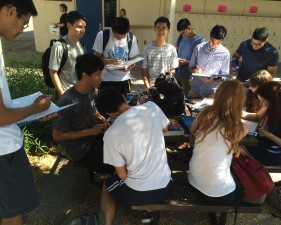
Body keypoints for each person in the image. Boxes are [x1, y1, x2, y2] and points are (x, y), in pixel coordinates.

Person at [0, 1, 53, 224]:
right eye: (24, 22)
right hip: (5, 152)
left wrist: (33, 111)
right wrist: (34, 108)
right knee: (13, 216)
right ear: (10, 11)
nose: (23, 29)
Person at [95, 87, 172, 225]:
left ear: (109, 114)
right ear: (124, 98)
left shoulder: (111, 134)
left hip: (137, 194)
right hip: (165, 186)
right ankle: (148, 210)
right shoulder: (151, 107)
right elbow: (165, 128)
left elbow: (122, 175)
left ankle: (106, 222)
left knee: (107, 186)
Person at [52, 53, 115, 185]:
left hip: (95, 137)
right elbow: (57, 136)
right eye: (98, 74)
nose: (101, 78)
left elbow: (94, 110)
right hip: (80, 150)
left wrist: (101, 118)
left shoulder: (92, 90)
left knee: (122, 149)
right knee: (115, 165)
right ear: (85, 75)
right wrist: (89, 132)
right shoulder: (67, 100)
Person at [189, 79, 248, 205]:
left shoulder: (205, 113)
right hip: (219, 193)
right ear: (240, 100)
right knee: (241, 185)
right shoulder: (241, 127)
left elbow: (192, 130)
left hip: (193, 181)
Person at [243, 81, 281, 166]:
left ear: (272, 100)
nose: (260, 103)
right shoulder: (272, 106)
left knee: (237, 151)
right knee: (235, 147)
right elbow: (257, 117)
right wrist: (234, 113)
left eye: (262, 101)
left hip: (275, 153)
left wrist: (268, 134)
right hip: (264, 143)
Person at [93, 17, 139, 96]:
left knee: (123, 105)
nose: (120, 39)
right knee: (105, 105)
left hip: (124, 79)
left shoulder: (131, 38)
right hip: (106, 79)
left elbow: (132, 59)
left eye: (123, 37)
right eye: (117, 37)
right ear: (112, 30)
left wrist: (131, 66)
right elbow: (96, 59)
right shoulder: (102, 36)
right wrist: (108, 62)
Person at [49, 10, 86, 96]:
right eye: (79, 27)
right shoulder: (59, 46)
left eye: (84, 27)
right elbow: (53, 72)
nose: (83, 30)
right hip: (67, 92)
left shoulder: (81, 44)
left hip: (80, 90)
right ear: (69, 26)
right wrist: (62, 94)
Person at [189, 25, 230, 98]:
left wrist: (213, 80)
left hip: (211, 93)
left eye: (218, 43)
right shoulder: (199, 48)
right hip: (195, 89)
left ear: (221, 41)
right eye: (212, 41)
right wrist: (194, 70)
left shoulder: (225, 53)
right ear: (210, 36)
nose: (214, 45)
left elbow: (224, 76)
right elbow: (190, 67)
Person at [141, 16, 178, 88]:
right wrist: (148, 86)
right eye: (158, 28)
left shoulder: (172, 49)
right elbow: (144, 70)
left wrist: (168, 80)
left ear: (168, 30)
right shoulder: (147, 49)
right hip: (152, 87)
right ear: (155, 29)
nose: (161, 31)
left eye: (164, 28)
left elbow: (173, 69)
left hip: (167, 87)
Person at [175, 18, 205, 96]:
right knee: (176, 95)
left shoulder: (200, 41)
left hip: (188, 75)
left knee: (187, 97)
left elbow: (201, 62)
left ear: (189, 28)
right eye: (181, 33)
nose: (182, 34)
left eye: (183, 32)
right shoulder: (181, 37)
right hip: (177, 72)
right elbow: (177, 49)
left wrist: (187, 62)